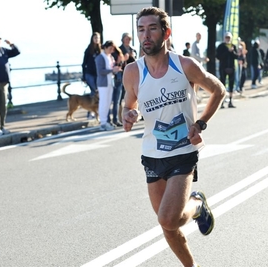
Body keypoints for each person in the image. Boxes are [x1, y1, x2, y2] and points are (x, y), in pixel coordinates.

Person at [122, 7, 225, 267]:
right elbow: (129, 104)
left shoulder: (185, 66)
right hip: (152, 154)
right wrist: (128, 114)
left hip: (183, 151)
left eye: (152, 28)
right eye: (141, 30)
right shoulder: (133, 72)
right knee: (168, 225)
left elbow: (219, 90)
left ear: (166, 32)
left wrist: (200, 123)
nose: (145, 35)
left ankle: (198, 204)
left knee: (168, 218)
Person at [0, 32, 20, 137]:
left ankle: (2, 127)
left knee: (3, 107)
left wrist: (11, 44)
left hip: (4, 83)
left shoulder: (3, 50)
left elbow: (17, 52)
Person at [95, 40, 122, 131]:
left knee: (108, 103)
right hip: (103, 83)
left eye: (112, 49)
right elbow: (100, 71)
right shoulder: (100, 57)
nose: (111, 50)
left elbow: (111, 68)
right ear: (105, 48)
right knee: (103, 102)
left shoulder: (110, 57)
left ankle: (105, 121)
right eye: (110, 48)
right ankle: (103, 123)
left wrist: (115, 68)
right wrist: (112, 70)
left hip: (110, 82)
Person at [117, 32, 137, 124]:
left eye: (129, 39)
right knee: (121, 97)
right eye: (126, 38)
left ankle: (133, 114)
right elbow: (117, 63)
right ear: (123, 39)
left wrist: (132, 57)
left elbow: (136, 62)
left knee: (133, 95)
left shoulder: (133, 49)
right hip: (122, 75)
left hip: (133, 75)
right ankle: (121, 117)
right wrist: (124, 59)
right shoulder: (119, 49)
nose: (128, 40)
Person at [82, 32, 101, 119]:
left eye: (98, 38)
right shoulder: (88, 50)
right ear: (92, 39)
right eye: (95, 38)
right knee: (93, 92)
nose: (96, 40)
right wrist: (83, 76)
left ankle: (95, 111)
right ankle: (90, 112)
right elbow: (84, 63)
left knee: (97, 93)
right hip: (89, 73)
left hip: (97, 74)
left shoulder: (100, 50)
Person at [216, 31, 238, 108]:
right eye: (226, 37)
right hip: (223, 68)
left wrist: (232, 52)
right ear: (224, 38)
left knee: (231, 84)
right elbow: (218, 56)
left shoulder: (233, 46)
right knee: (223, 84)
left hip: (232, 68)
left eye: (229, 37)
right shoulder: (221, 46)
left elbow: (236, 56)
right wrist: (227, 52)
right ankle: (221, 102)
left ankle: (230, 101)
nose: (228, 39)